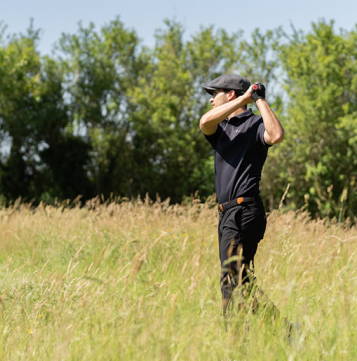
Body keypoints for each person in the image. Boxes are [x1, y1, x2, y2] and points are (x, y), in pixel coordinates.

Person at [200, 74, 284, 315]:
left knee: (230, 278)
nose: (210, 100)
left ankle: (234, 345)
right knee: (242, 280)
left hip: (245, 211)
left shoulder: (256, 124)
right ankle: (288, 332)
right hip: (226, 215)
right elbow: (205, 122)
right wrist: (245, 98)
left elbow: (276, 135)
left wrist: (259, 100)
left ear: (230, 94)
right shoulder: (220, 129)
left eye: (214, 94)